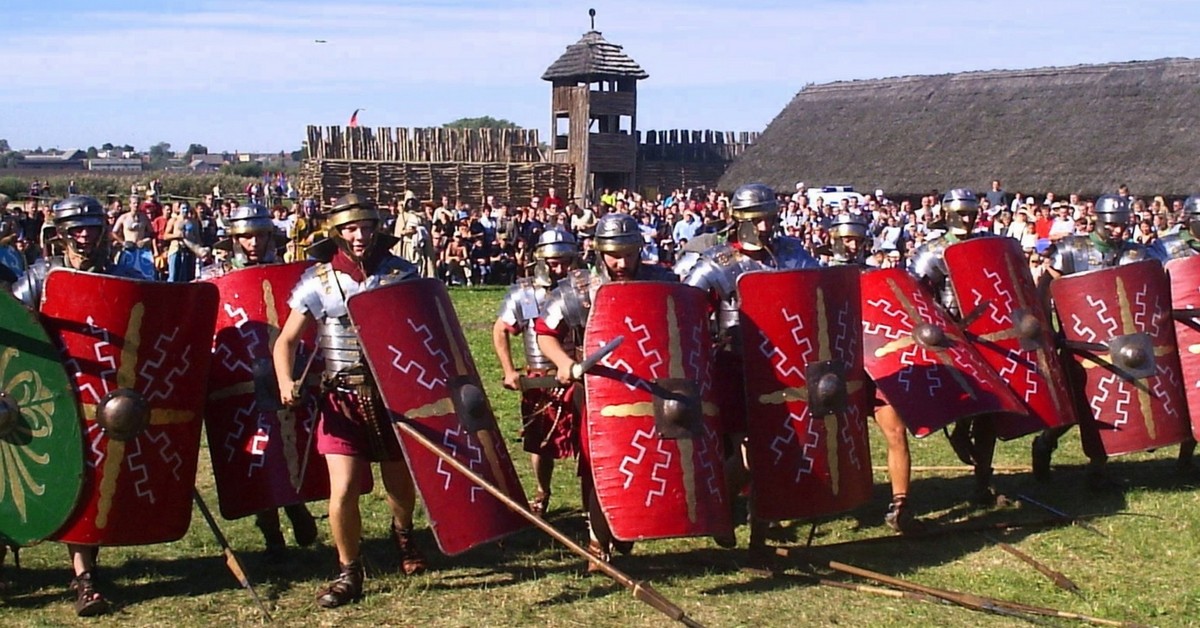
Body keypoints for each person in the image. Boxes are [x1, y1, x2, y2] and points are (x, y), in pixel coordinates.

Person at [271, 193, 426, 608]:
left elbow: (424, 332)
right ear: (337, 233)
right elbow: (285, 341)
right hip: (341, 400)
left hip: (391, 395)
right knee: (342, 490)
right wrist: (286, 380)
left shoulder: (400, 274)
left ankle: (404, 535)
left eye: (366, 227)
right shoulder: (317, 281)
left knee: (398, 480)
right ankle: (349, 570)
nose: (360, 236)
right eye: (351, 229)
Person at [11, 196, 147, 616]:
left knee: (90, 485)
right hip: (47, 396)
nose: (85, 235)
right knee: (26, 481)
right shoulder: (41, 279)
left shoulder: (123, 277)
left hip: (103, 399)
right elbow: (15, 331)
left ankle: (85, 577)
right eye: (77, 228)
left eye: (92, 227)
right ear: (62, 233)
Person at [675, 183, 820, 547]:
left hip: (785, 365)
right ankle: (722, 510)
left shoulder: (791, 254)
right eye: (758, 220)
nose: (766, 227)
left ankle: (759, 530)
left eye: (770, 218)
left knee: (774, 449)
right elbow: (687, 312)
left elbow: (819, 294)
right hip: (735, 365)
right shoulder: (718, 263)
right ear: (740, 221)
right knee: (748, 454)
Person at [534, 212, 676, 571]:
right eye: (614, 255)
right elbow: (545, 332)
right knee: (598, 463)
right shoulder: (580, 288)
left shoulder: (662, 281)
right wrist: (564, 363)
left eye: (629, 253)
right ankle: (598, 542)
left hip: (652, 387)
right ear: (599, 252)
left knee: (649, 458)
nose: (622, 263)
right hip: (599, 389)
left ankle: (630, 524)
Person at [199, 203, 318, 558]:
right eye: (246, 237)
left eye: (260, 236)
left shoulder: (291, 276)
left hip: (287, 373)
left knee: (288, 446)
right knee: (256, 455)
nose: (253, 244)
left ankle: (295, 505)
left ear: (270, 237)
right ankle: (271, 533)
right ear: (234, 239)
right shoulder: (213, 279)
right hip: (238, 379)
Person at [1030, 194, 1161, 489]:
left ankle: (1098, 468)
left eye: (1122, 224)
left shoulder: (1135, 254)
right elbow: (1045, 289)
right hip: (1078, 339)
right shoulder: (1070, 250)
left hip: (1119, 339)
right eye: (1112, 224)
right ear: (1099, 221)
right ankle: (1045, 442)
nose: (1118, 230)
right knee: (1076, 406)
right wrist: (1046, 329)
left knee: (1111, 402)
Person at [907, 189, 1006, 505]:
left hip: (989, 334)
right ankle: (962, 433)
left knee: (990, 410)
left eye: (971, 214)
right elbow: (916, 298)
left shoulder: (986, 245)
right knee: (969, 401)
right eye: (961, 214)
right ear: (948, 215)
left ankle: (982, 481)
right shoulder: (931, 252)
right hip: (952, 337)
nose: (967, 219)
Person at [826, 212, 917, 532]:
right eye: (847, 240)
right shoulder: (819, 276)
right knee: (830, 439)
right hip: (835, 371)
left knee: (896, 431)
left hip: (875, 366)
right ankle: (827, 497)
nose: (853, 246)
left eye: (858, 240)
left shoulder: (877, 278)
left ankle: (901, 503)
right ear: (835, 240)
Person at [492, 229, 580, 516]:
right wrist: (509, 370)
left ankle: (593, 497)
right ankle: (543, 491)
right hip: (540, 378)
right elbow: (501, 329)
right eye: (554, 263)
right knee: (539, 442)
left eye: (566, 261)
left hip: (579, 376)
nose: (560, 269)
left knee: (588, 439)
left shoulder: (583, 290)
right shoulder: (526, 294)